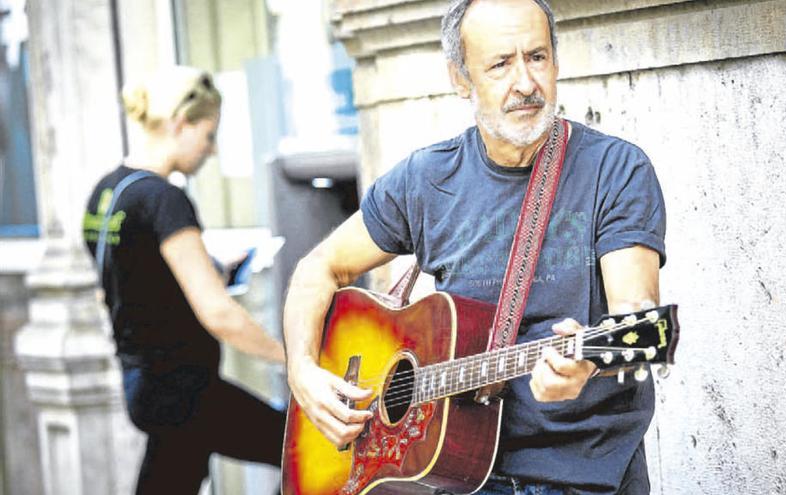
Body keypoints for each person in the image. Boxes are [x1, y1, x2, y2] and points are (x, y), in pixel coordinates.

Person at [282, 0, 666, 493]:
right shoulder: (426, 180)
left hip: (582, 477)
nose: (526, 83)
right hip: (458, 474)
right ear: (460, 79)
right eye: (501, 64)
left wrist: (588, 360)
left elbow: (639, 316)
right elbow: (319, 269)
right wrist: (304, 373)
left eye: (537, 57)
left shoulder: (615, 171)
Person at [82, 66, 286, 494]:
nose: (210, 151)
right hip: (183, 392)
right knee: (299, 443)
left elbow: (127, 280)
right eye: (209, 135)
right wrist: (291, 357)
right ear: (180, 123)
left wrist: (211, 267)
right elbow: (218, 314)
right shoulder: (163, 199)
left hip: (144, 384)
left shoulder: (105, 193)